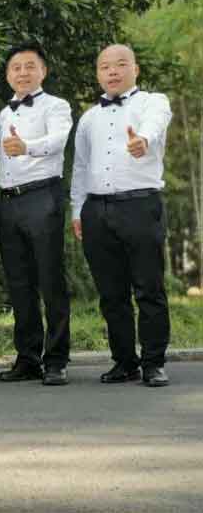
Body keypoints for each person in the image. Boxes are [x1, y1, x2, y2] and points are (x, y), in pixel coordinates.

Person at [70, 43, 173, 387]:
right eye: (105, 67)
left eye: (120, 64)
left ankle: (154, 362)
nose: (112, 71)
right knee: (111, 293)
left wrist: (142, 140)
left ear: (135, 69)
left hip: (140, 205)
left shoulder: (153, 102)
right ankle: (125, 361)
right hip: (96, 210)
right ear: (98, 74)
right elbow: (80, 167)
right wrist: (77, 210)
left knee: (148, 288)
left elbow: (155, 125)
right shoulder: (89, 118)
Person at [0, 45, 73, 386]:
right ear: (8, 75)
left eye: (30, 66)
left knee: (50, 279)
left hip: (42, 196)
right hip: (8, 200)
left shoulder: (56, 106)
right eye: (16, 67)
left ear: (44, 71)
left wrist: (27, 146)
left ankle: (56, 359)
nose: (22, 72)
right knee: (19, 282)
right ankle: (27, 358)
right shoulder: (3, 113)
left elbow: (57, 140)